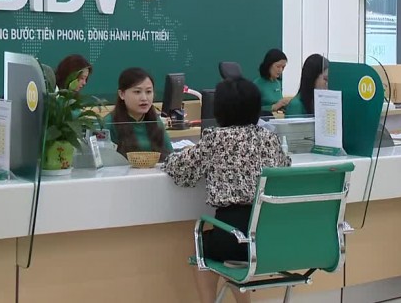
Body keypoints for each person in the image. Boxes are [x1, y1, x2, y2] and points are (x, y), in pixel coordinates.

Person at [162, 78, 291, 303]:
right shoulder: (269, 138)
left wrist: (170, 158)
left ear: (219, 109)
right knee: (233, 256)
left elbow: (181, 171)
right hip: (270, 238)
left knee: (202, 245)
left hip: (234, 236)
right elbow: (285, 166)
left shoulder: (215, 138)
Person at [103, 68, 173, 159]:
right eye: (137, 92)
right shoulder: (109, 124)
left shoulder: (155, 121)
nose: (144, 98)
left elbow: (170, 155)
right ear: (122, 94)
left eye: (148, 92)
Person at [254, 49, 290, 113]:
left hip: (276, 118)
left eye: (283, 67)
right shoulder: (257, 84)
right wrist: (273, 107)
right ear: (269, 65)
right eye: (278, 66)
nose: (281, 70)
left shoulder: (277, 83)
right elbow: (251, 109)